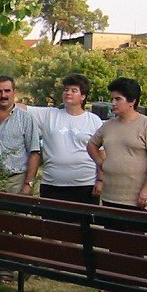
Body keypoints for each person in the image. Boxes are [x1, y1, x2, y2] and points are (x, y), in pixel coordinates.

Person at [87, 77, 147, 292]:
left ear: (132, 101)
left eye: (118, 99)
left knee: (133, 243)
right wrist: (101, 163)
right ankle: (112, 282)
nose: (113, 103)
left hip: (135, 197)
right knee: (113, 241)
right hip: (111, 194)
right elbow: (92, 145)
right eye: (112, 98)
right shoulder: (108, 126)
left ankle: (132, 288)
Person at [16, 74, 103, 203]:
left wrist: (100, 180)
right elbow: (20, 107)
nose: (68, 93)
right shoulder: (49, 115)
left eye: (74, 90)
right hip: (52, 185)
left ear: (83, 96)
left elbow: (102, 153)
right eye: (66, 90)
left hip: (85, 186)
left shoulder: (93, 120)